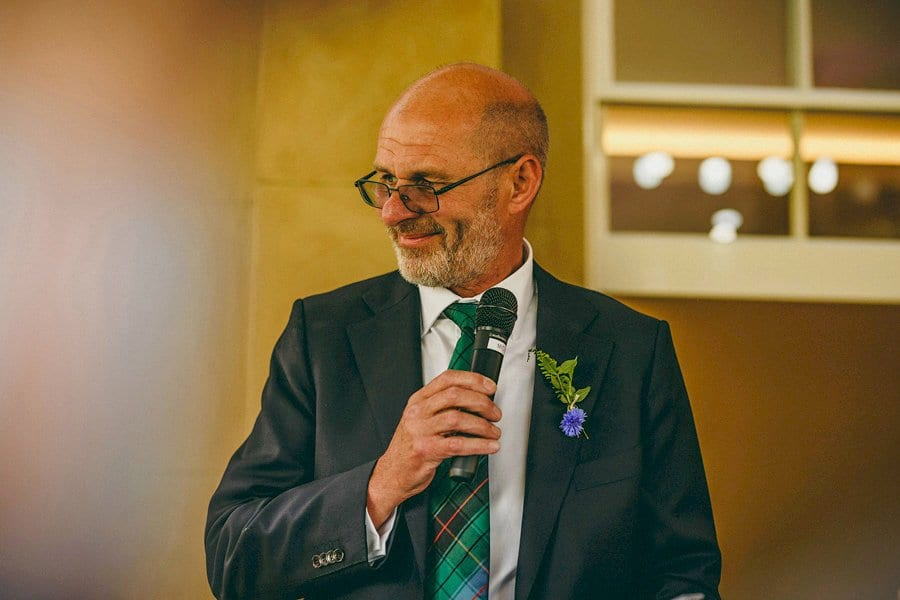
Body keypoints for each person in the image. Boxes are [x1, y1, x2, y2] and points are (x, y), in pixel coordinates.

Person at [205, 63, 721, 600]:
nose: (392, 213)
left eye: (426, 186)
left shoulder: (631, 349)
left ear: (520, 182)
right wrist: (383, 481)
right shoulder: (324, 336)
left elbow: (682, 571)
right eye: (385, 183)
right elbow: (232, 556)